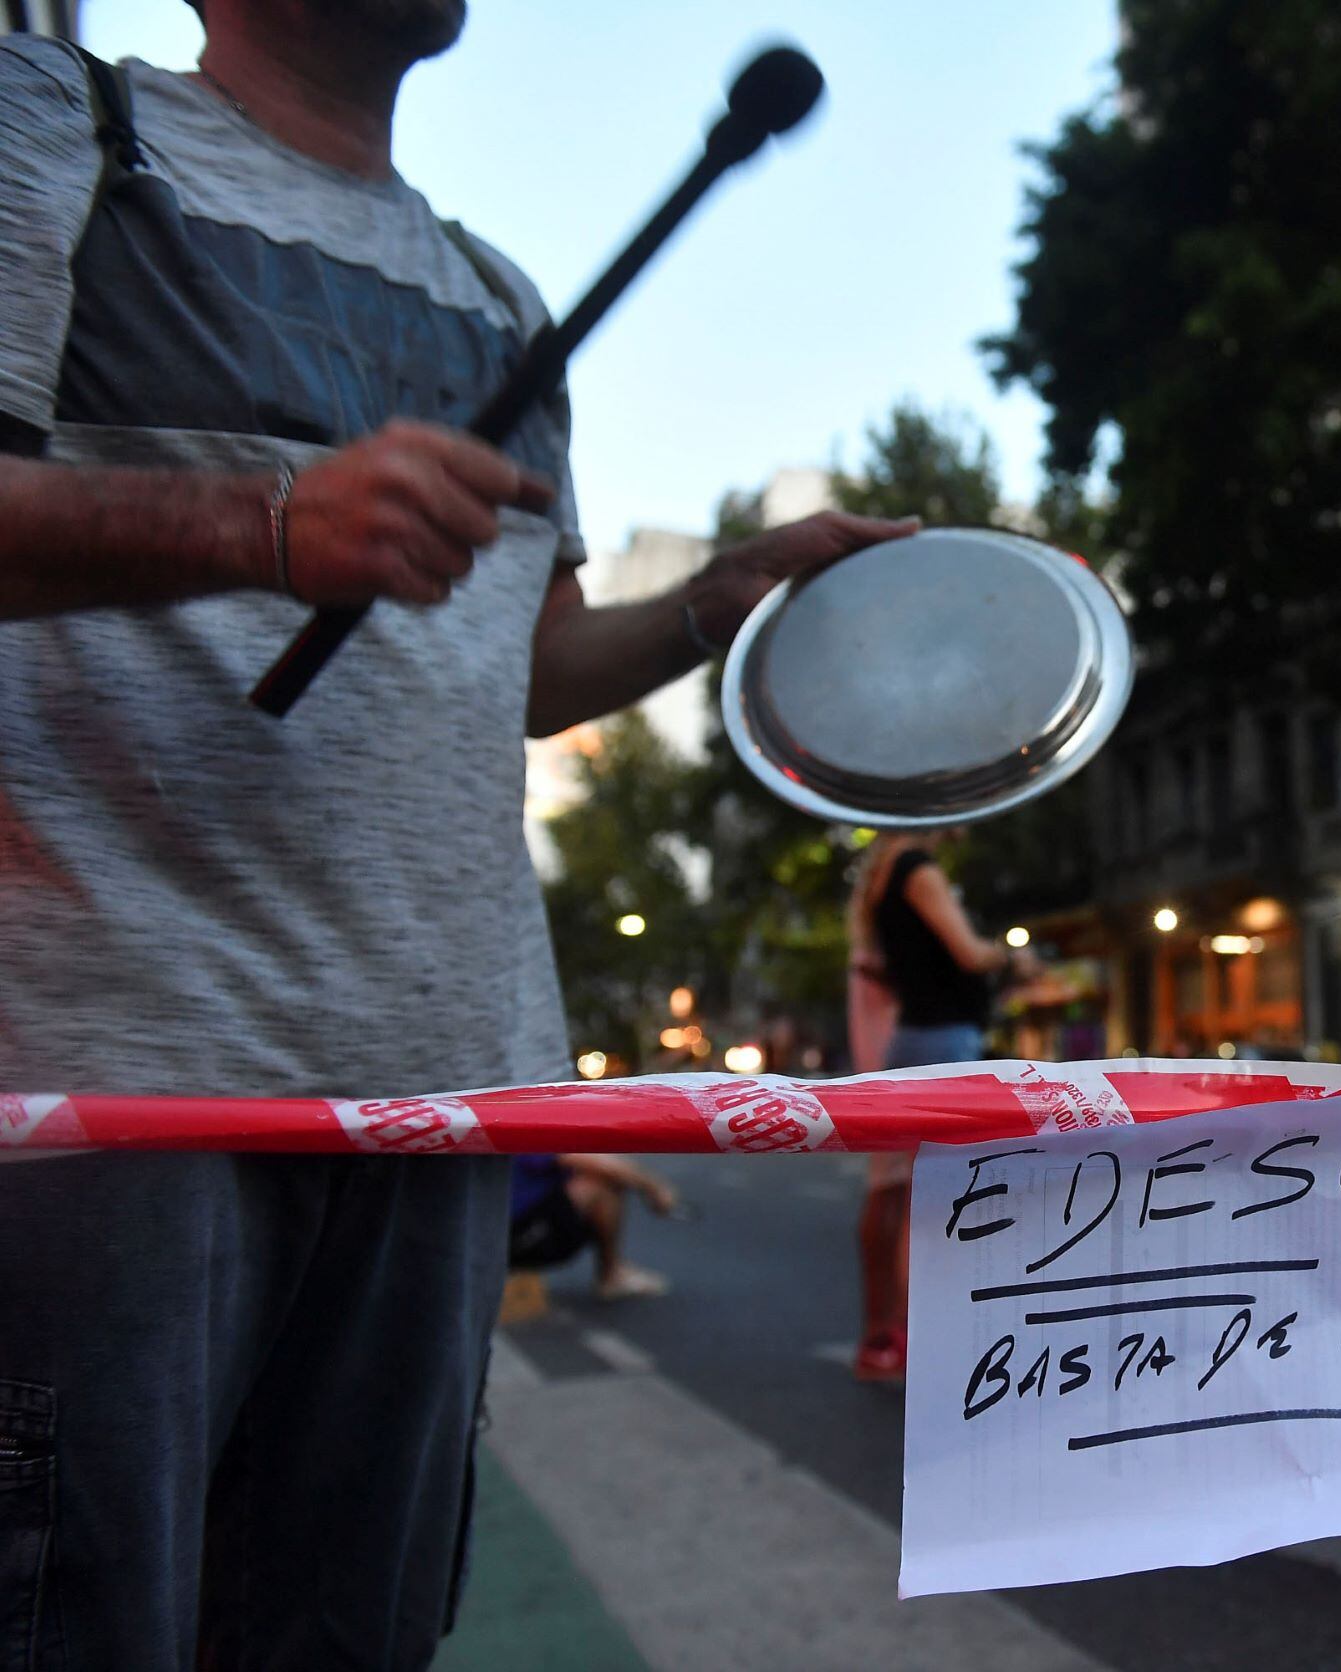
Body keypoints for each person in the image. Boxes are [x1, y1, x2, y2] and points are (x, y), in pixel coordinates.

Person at [0, 9, 919, 1664]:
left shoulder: (496, 295)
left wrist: (722, 597)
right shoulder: (61, 130)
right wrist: (267, 524)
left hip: (432, 1087)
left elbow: (525, 670)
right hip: (116, 1070)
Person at [845, 828, 1037, 1382]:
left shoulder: (881, 874)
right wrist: (1014, 956)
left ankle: (887, 1334)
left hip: (915, 1039)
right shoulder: (918, 870)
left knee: (900, 1191)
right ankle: (925, 1336)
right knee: (939, 1201)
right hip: (943, 1042)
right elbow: (969, 953)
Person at [508, 1153, 682, 1300]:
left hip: (516, 1223)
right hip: (514, 1233)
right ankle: (611, 1274)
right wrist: (654, 1186)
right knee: (598, 1185)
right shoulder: (526, 1117)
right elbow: (594, 1161)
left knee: (597, 1177)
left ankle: (612, 1272)